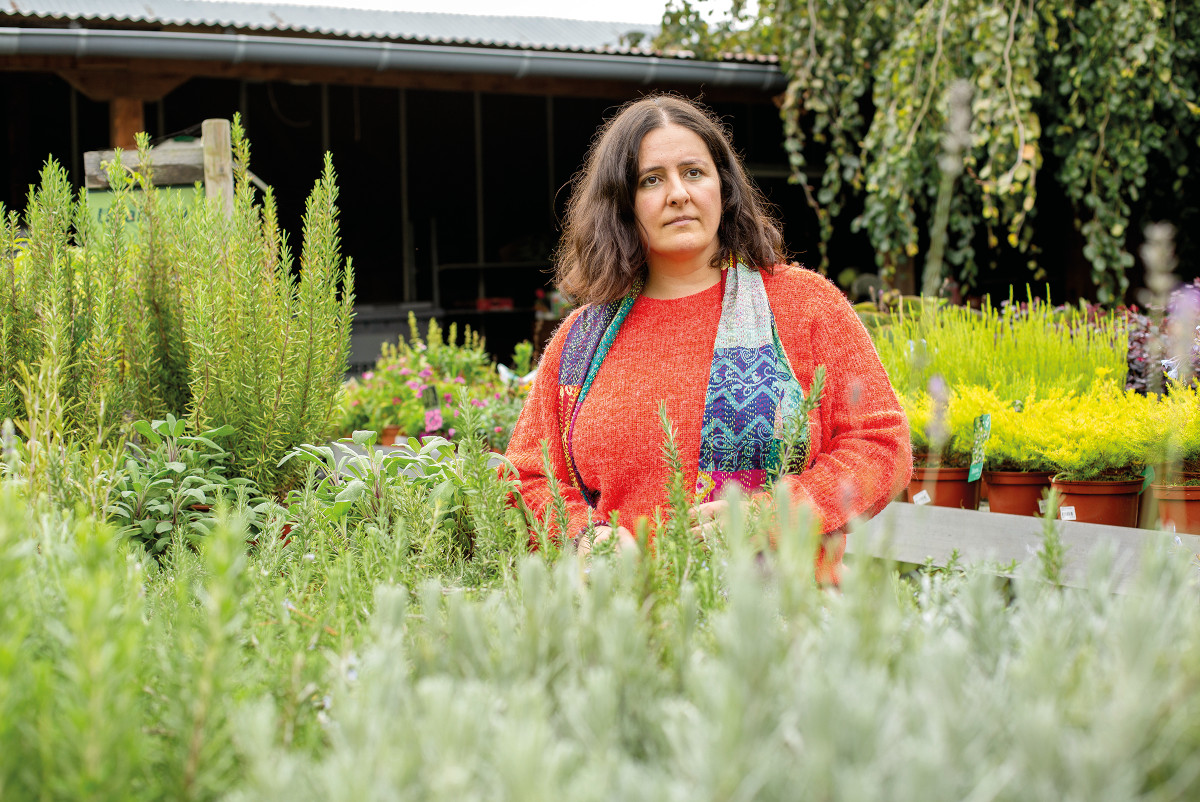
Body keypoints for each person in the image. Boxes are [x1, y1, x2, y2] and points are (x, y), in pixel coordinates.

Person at [505, 95, 910, 584]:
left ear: (724, 186)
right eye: (651, 180)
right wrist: (583, 536)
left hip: (790, 616)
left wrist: (772, 515)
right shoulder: (581, 341)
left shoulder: (804, 304)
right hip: (628, 619)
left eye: (693, 172)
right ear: (622, 204)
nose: (678, 193)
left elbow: (881, 445)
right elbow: (527, 476)